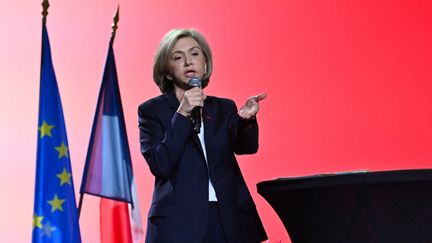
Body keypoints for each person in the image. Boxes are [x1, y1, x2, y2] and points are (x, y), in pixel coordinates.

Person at [138, 28, 268, 243]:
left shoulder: (223, 107)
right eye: (178, 57)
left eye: (195, 54)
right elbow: (160, 164)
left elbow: (246, 147)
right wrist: (182, 113)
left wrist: (246, 120)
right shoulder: (151, 111)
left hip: (228, 217)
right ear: (168, 71)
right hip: (179, 224)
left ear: (205, 63)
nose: (189, 62)